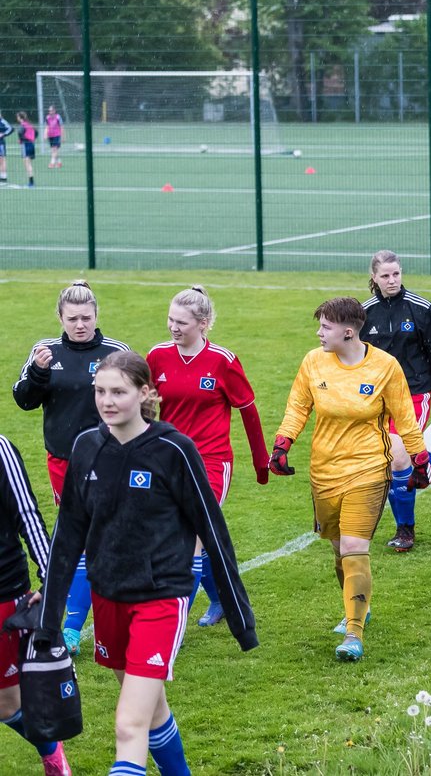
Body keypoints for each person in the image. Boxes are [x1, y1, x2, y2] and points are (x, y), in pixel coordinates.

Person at [31, 350, 256, 776]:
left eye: (118, 391)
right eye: (100, 391)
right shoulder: (86, 447)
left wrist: (241, 619)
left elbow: (213, 533)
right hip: (109, 597)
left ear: (146, 393)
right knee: (152, 713)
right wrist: (49, 620)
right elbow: (67, 540)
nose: (106, 401)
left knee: (128, 724)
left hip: (160, 600)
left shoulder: (174, 449)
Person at [272, 297, 431, 662]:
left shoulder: (385, 367)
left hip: (368, 469)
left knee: (353, 547)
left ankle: (353, 633)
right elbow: (298, 406)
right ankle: (358, 604)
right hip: (324, 471)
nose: (318, 333)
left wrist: (420, 459)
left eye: (325, 327)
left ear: (348, 331)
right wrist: (282, 444)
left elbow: (405, 418)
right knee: (337, 549)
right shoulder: (313, 362)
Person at [12, 280, 129, 657]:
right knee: (85, 536)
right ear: (60, 318)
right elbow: (24, 400)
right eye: (73, 318)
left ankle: (80, 622)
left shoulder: (116, 353)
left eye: (87, 317)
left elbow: (139, 403)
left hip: (110, 458)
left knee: (102, 535)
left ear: (97, 316)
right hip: (63, 462)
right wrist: (39, 374)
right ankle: (78, 625)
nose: (80, 324)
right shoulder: (45, 352)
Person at [146, 287, 270, 628]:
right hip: (168, 462)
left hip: (211, 462)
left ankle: (173, 625)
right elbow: (142, 406)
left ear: (203, 324)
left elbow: (248, 412)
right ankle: (220, 600)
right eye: (170, 319)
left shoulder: (223, 361)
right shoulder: (157, 356)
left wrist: (262, 463)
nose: (173, 327)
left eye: (181, 322)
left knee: (190, 537)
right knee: (179, 536)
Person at [360, 251, 431, 553]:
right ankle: (421, 470)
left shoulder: (422, 308)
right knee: (387, 461)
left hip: (415, 393)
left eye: (396, 274)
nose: (392, 281)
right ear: (374, 278)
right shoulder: (364, 313)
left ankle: (406, 529)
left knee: (398, 457)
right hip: (377, 398)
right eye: (386, 276)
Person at [0, 435, 71, 775]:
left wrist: (51, 583)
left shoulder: (0, 450)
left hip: (3, 593)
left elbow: (27, 515)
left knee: (6, 704)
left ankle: (52, 754)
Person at [15, 112, 35, 188]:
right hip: (31, 144)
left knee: (27, 164)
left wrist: (21, 140)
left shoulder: (22, 125)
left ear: (20, 118)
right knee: (29, 164)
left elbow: (20, 133)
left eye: (17, 117)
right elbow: (36, 132)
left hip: (26, 145)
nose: (17, 118)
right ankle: (31, 182)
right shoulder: (29, 124)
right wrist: (31, 138)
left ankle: (31, 183)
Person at [0, 110, 13, 184]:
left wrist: (3, 134)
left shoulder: (3, 121)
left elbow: (11, 128)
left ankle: (4, 177)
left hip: (0, 144)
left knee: (2, 159)